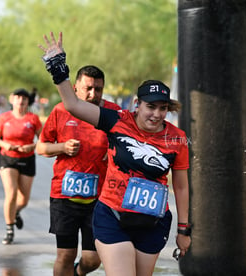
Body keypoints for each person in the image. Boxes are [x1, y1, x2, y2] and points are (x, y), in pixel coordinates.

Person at [39, 32, 191, 276]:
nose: (156, 114)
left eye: (163, 108)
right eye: (150, 107)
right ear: (137, 104)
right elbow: (73, 105)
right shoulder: (117, 120)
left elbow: (181, 187)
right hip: (113, 215)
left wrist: (183, 230)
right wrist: (58, 70)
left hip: (152, 221)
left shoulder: (177, 137)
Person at [36, 65, 120, 276]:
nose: (93, 94)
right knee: (65, 255)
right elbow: (41, 147)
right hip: (64, 196)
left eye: (98, 89)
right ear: (75, 88)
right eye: (88, 88)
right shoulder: (60, 110)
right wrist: (62, 147)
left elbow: (128, 145)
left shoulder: (113, 113)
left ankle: (77, 273)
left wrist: (114, 152)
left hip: (100, 198)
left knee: (93, 259)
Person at [0, 88, 42, 245]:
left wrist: (32, 146)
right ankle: (9, 229)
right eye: (18, 98)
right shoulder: (4, 117)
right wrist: (5, 144)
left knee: (24, 200)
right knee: (11, 194)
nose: (21, 101)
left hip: (27, 160)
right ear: (12, 99)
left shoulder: (33, 119)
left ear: (28, 102)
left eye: (24, 98)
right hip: (8, 159)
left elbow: (43, 140)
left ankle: (16, 211)